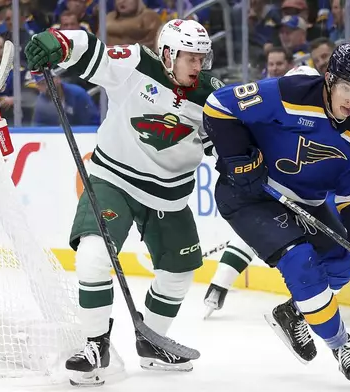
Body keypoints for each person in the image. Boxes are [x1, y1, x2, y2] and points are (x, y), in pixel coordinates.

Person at [24, 19, 224, 386]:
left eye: (201, 58)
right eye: (189, 58)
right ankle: (95, 345)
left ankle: (152, 341)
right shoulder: (135, 64)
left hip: (170, 194)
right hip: (114, 178)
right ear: (167, 55)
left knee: (178, 274)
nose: (198, 66)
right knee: (94, 256)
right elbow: (90, 49)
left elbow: (222, 148)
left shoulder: (212, 96)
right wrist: (58, 42)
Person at [202, 44, 350, 385]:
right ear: (330, 80)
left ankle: (293, 312)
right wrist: (235, 158)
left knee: (347, 263)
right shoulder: (289, 94)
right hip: (250, 194)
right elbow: (219, 105)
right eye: (347, 88)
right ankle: (342, 345)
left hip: (307, 202)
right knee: (300, 260)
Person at [203, 64, 322, 319]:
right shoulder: (266, 113)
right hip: (272, 188)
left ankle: (218, 287)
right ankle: (220, 284)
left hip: (298, 190)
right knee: (262, 228)